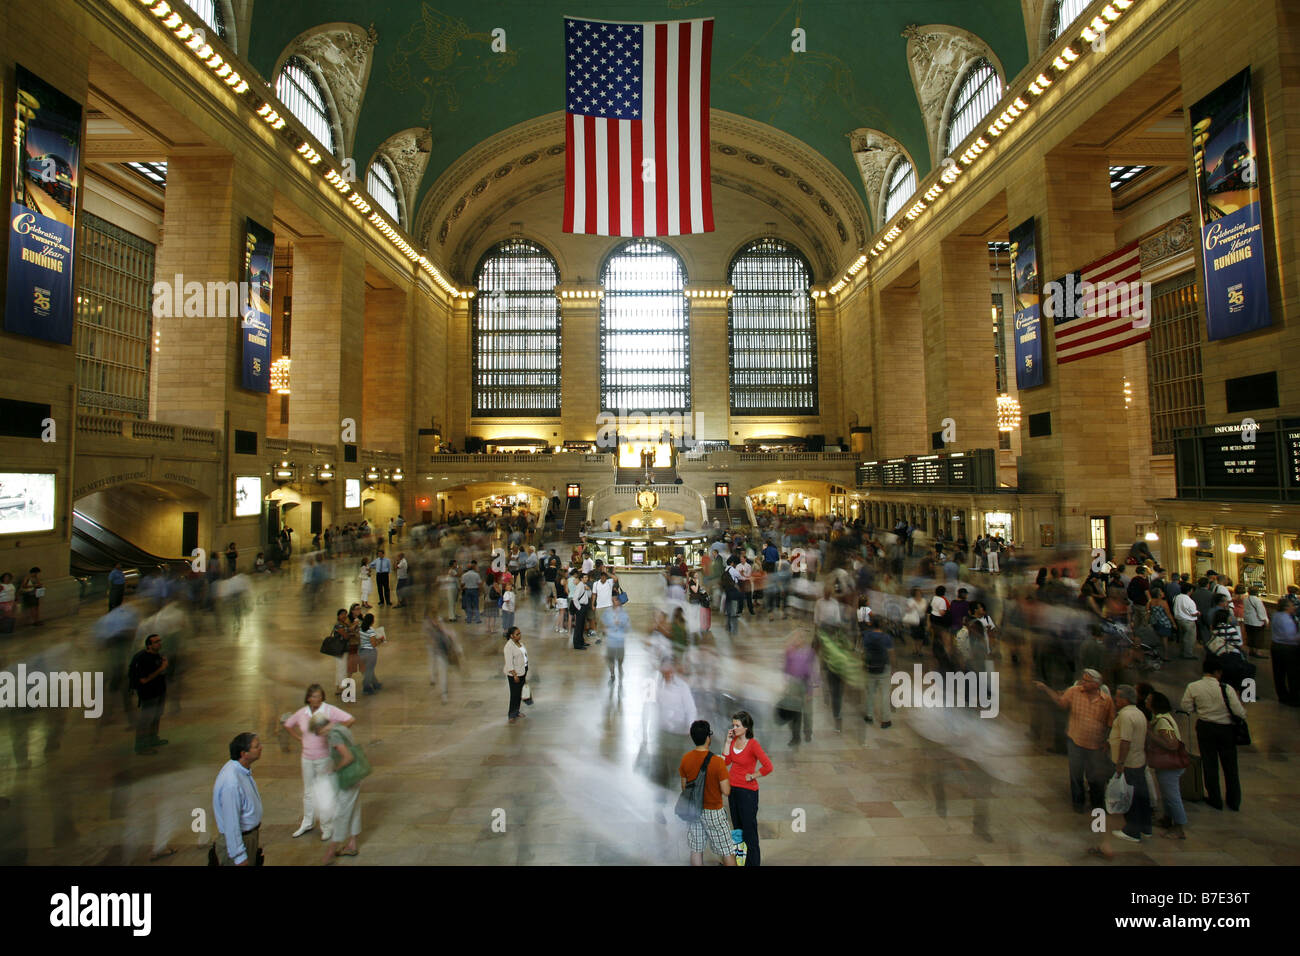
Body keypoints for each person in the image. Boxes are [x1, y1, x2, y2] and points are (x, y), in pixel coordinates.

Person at [1035, 669, 1115, 813]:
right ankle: (1078, 803)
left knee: (1095, 776)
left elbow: (1110, 722)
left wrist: (1106, 741)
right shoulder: (1074, 692)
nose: (1083, 683)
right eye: (1083, 680)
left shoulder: (1106, 700)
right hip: (1076, 741)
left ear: (1096, 684)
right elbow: (1061, 702)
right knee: (1076, 774)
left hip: (1095, 744)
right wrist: (1046, 689)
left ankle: (1097, 803)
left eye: (1087, 681)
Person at [284, 684, 354, 840]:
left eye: (320, 696)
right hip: (306, 758)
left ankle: (327, 826)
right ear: (308, 698)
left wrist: (334, 733)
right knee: (308, 791)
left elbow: (349, 719)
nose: (318, 699)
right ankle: (307, 822)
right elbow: (288, 724)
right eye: (314, 696)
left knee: (323, 792)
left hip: (324, 758)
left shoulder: (329, 710)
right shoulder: (302, 713)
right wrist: (298, 738)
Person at [1181, 658, 1247, 811]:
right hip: (1226, 730)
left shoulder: (1193, 687)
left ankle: (1215, 799)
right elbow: (1238, 712)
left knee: (1210, 763)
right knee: (1230, 766)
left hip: (1205, 727)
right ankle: (1234, 800)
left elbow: (1186, 707)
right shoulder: (1226, 688)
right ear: (1218, 672)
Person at [678, 720, 736, 866]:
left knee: (696, 850)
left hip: (693, 810)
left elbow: (684, 788)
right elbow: (726, 791)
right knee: (727, 850)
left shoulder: (685, 759)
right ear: (708, 738)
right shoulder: (717, 762)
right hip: (714, 811)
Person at [724, 711, 772, 867]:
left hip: (748, 793)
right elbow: (725, 762)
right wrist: (727, 741)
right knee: (737, 830)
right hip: (733, 790)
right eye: (733, 725)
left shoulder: (753, 744)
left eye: (737, 725)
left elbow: (768, 766)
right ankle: (741, 861)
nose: (734, 728)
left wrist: (753, 775)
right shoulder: (733, 741)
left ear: (746, 727)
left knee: (749, 831)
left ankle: (753, 863)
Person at [316, 711, 364, 863]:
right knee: (354, 808)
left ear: (321, 729)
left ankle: (330, 852)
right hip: (357, 775)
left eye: (319, 733)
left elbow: (347, 757)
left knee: (341, 813)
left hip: (347, 778)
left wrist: (335, 769)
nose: (321, 736)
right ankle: (352, 844)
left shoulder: (334, 735)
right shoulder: (341, 728)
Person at [1108, 684, 1152, 844]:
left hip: (1129, 762)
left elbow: (1125, 741)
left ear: (1125, 699)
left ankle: (1132, 831)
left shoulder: (1126, 716)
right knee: (1141, 796)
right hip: (1138, 759)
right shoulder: (1139, 713)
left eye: (1118, 696)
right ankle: (1146, 828)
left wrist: (1120, 763)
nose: (1115, 699)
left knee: (1130, 797)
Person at [212, 732, 263, 865]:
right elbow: (231, 823)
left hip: (248, 837)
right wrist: (239, 856)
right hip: (239, 842)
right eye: (256, 746)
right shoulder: (231, 783)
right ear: (244, 754)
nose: (261, 748)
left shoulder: (241, 770)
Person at [1147, 692, 1188, 840]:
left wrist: (1150, 734)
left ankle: (1179, 827)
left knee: (1172, 796)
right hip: (1165, 765)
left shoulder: (1163, 721)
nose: (1146, 701)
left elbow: (1172, 744)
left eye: (1148, 699)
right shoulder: (1159, 718)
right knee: (1166, 794)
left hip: (1170, 766)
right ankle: (1167, 819)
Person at [128, 633, 168, 755]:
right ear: (149, 645)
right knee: (146, 720)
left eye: (160, 641)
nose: (159, 643)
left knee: (156, 716)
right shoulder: (142, 659)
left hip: (159, 691)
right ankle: (141, 746)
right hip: (149, 693)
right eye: (156, 642)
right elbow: (144, 680)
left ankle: (153, 739)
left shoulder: (157, 656)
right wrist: (161, 668)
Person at [862, 620, 894, 727]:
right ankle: (885, 720)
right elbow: (891, 653)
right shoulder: (886, 638)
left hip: (870, 667)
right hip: (884, 668)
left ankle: (869, 715)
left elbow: (863, 651)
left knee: (870, 692)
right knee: (885, 694)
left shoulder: (866, 636)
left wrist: (863, 664)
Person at [1270, 596, 1299, 705]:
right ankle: (1294, 698)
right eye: (1292, 605)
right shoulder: (1286, 619)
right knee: (1292, 674)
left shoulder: (1275, 615)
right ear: (1286, 607)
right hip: (1287, 648)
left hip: (1275, 646)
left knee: (1279, 673)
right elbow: (1290, 636)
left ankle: (1282, 696)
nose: (1294, 608)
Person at [503, 626, 529, 723]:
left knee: (519, 694)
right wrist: (514, 675)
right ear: (511, 636)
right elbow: (509, 663)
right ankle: (511, 714)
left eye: (520, 633)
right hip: (515, 674)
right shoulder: (508, 647)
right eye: (517, 634)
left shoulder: (519, 643)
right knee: (514, 694)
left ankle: (517, 711)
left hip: (522, 671)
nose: (520, 635)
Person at [358, 613, 386, 695]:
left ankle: (375, 684)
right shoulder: (371, 631)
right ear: (372, 621)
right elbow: (373, 644)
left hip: (362, 651)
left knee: (369, 669)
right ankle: (366, 687)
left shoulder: (361, 628)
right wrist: (381, 640)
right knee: (369, 670)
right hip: (370, 653)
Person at [1172, 582, 1200, 660]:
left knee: (1182, 638)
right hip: (1188, 621)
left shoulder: (1176, 597)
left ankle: (1182, 652)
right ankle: (1188, 654)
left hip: (1179, 620)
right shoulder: (1189, 600)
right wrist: (1198, 613)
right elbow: (1193, 613)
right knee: (1190, 639)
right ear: (1190, 590)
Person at [1242, 585, 1268, 660]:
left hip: (1248, 620)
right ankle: (1257, 652)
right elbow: (1261, 611)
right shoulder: (1257, 600)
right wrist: (1265, 619)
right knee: (1258, 637)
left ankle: (1251, 650)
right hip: (1256, 621)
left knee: (1250, 636)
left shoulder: (1246, 599)